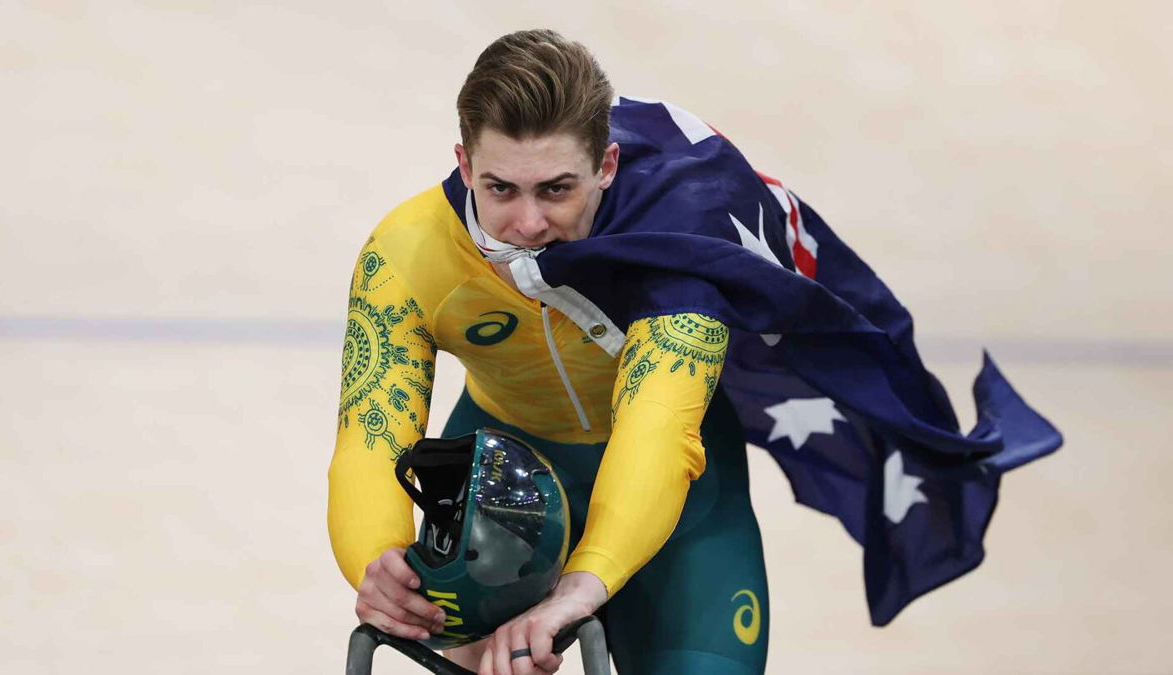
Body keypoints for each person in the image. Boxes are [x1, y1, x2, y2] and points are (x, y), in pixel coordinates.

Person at [329, 28, 1061, 675]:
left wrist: (584, 583)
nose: (528, 223)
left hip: (677, 496)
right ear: (463, 161)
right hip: (498, 484)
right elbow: (369, 434)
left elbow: (655, 430)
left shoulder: (683, 231)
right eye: (500, 188)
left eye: (557, 189)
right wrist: (376, 557)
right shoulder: (406, 252)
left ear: (607, 165)